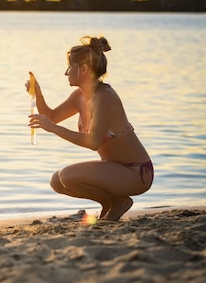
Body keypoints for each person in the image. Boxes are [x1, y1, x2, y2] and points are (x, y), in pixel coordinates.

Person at [27, 36, 153, 221]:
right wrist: (38, 93)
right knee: (57, 181)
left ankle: (119, 202)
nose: (66, 72)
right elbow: (52, 116)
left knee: (67, 176)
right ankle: (110, 202)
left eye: (70, 67)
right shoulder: (79, 96)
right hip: (114, 170)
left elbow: (92, 142)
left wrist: (52, 128)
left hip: (135, 172)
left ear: (84, 69)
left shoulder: (105, 97)